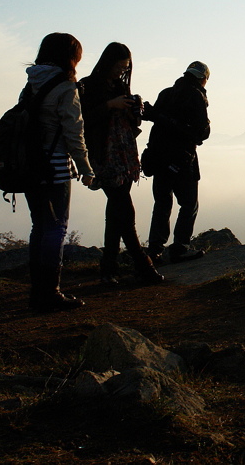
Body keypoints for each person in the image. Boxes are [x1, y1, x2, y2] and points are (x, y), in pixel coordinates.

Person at [79, 42, 165, 286]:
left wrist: (133, 108)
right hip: (105, 155)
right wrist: (109, 105)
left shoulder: (119, 85)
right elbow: (82, 120)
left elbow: (128, 119)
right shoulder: (89, 85)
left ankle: (109, 268)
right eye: (118, 66)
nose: (121, 71)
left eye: (125, 67)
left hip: (124, 155)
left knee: (116, 209)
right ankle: (142, 264)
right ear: (108, 62)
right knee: (124, 209)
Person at [24, 32, 95, 312]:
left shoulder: (31, 82)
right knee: (56, 229)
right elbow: (74, 133)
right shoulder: (66, 87)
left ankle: (37, 291)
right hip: (54, 167)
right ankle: (50, 293)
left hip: (30, 164)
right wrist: (86, 169)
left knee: (39, 227)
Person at [143, 61, 211, 264]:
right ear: (202, 79)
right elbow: (202, 132)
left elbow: (156, 121)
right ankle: (180, 248)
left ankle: (154, 250)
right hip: (183, 158)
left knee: (162, 203)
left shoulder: (166, 93)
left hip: (159, 157)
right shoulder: (197, 96)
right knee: (189, 204)